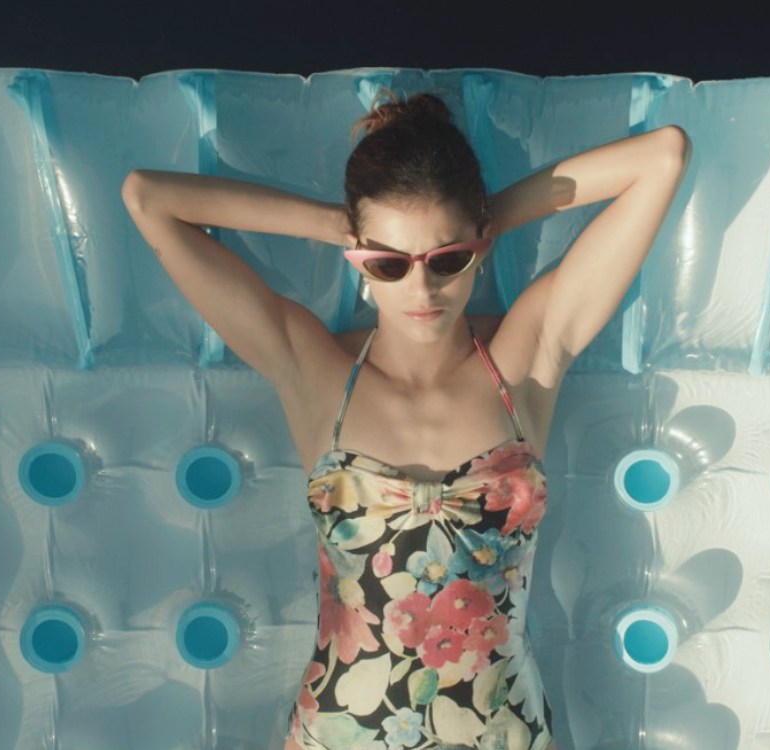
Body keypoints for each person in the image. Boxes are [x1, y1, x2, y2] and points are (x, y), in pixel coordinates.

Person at [123, 88, 688, 750]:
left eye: (447, 260)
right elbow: (147, 199)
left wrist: (486, 218)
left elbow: (663, 156)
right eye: (389, 265)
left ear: (477, 248)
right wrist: (341, 228)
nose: (422, 291)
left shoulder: (525, 361)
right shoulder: (314, 373)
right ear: (359, 261)